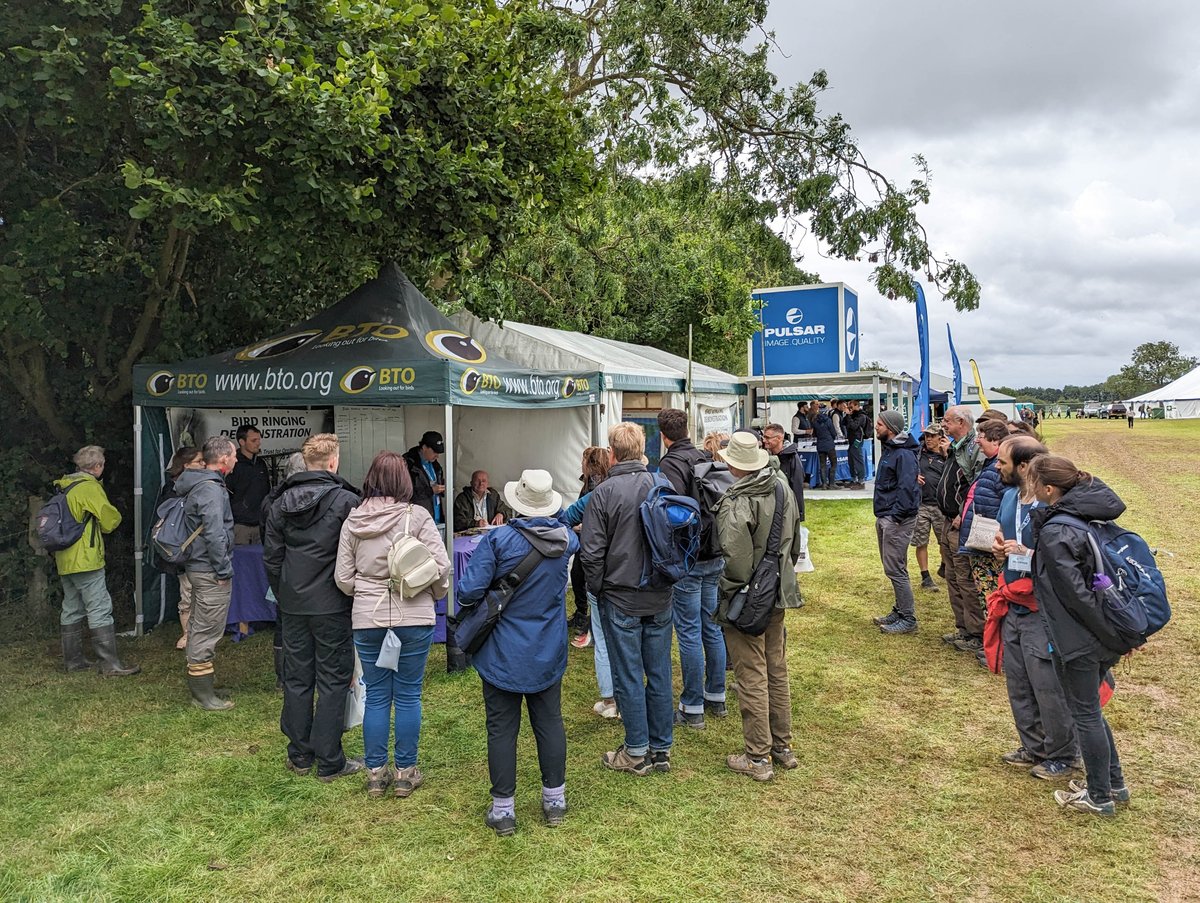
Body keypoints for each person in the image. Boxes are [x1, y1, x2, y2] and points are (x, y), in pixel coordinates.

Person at [458, 470, 579, 836]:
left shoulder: (499, 542)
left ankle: (503, 809)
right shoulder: (565, 542)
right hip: (547, 645)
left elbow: (466, 592)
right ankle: (554, 800)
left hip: (503, 650)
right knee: (549, 722)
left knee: (501, 727)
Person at [336, 451, 450, 799]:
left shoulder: (353, 521)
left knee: (376, 695)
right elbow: (441, 566)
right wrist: (430, 592)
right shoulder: (416, 517)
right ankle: (405, 771)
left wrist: (369, 591)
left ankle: (375, 773)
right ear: (404, 481)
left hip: (368, 619)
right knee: (409, 694)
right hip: (413, 615)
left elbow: (343, 577)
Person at [1028, 455, 1131, 817]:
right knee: (1092, 713)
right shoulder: (1084, 515)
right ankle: (1113, 783)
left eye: (1034, 483)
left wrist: (1104, 636)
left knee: (1084, 715)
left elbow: (1075, 596)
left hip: (1080, 638)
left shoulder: (1058, 530)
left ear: (1050, 489)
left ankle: (1099, 795)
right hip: (1100, 634)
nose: (1031, 488)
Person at [264, 434, 363, 782]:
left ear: (306, 463)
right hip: (332, 603)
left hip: (293, 602)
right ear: (333, 462)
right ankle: (330, 760)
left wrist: (285, 593)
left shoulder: (278, 503)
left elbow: (272, 559)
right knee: (334, 680)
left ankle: (300, 754)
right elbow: (356, 557)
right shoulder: (347, 501)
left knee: (297, 677)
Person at [581, 422, 674, 776]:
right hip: (659, 591)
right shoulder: (661, 484)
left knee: (629, 674)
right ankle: (660, 747)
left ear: (613, 453)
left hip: (621, 595)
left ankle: (637, 751)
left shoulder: (604, 493)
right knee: (659, 671)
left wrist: (598, 588)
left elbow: (591, 553)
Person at [714, 430, 803, 781]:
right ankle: (782, 746)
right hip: (778, 589)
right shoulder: (780, 484)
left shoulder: (739, 499)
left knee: (751, 674)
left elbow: (734, 561)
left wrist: (732, 595)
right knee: (775, 669)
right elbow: (794, 538)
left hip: (749, 596)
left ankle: (758, 756)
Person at [990, 436, 1080, 781]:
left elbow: (1065, 560)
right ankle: (1034, 746)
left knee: (1048, 685)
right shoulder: (1011, 496)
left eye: (1003, 462)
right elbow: (1003, 534)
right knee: (1019, 680)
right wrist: (1000, 549)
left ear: (1025, 467)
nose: (997, 467)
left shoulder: (1056, 506)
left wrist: (1025, 554)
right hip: (1012, 600)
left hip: (1043, 606)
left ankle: (1063, 754)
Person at [657, 408, 727, 729]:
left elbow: (672, 514)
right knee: (710, 626)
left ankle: (693, 707)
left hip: (690, 557)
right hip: (715, 552)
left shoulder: (671, 464)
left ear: (663, 435)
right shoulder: (704, 455)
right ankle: (717, 696)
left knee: (688, 631)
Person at [52, 445, 139, 677]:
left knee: (71, 608)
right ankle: (110, 664)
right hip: (86, 558)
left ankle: (74, 661)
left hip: (64, 557)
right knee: (99, 607)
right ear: (98, 466)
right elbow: (110, 520)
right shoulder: (89, 488)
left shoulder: (65, 486)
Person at [177, 436, 239, 710]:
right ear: (224, 458)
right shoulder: (211, 490)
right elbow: (214, 533)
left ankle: (205, 683)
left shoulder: (200, 485)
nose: (236, 459)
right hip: (209, 569)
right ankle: (203, 696)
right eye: (234, 455)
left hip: (199, 566)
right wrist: (223, 569)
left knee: (200, 624)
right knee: (206, 628)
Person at [560, 448, 617, 716]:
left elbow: (569, 516)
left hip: (601, 568)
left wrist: (583, 527)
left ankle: (610, 701)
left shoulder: (599, 488)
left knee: (606, 638)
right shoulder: (650, 484)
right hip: (626, 573)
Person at [936, 406, 986, 653]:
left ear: (961, 422)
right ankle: (963, 629)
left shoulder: (974, 448)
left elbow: (975, 486)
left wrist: (962, 514)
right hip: (948, 520)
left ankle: (976, 633)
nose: (943, 425)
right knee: (953, 577)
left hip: (961, 522)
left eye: (946, 421)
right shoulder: (956, 447)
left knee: (965, 579)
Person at [960, 418, 1009, 661]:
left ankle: (999, 650)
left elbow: (1002, 507)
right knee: (987, 597)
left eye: (982, 435)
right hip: (983, 543)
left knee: (993, 598)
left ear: (997, 441)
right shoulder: (990, 466)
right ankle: (994, 647)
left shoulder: (999, 471)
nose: (977, 439)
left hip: (991, 545)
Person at [870, 411, 921, 634]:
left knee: (896, 569)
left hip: (896, 519)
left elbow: (907, 488)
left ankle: (908, 618)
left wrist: (896, 517)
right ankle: (899, 610)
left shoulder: (903, 454)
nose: (876, 427)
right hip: (886, 516)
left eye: (880, 424)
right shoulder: (891, 450)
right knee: (893, 568)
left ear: (890, 427)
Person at [155, 446, 204, 651]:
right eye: (199, 461)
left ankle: (199, 634)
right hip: (184, 550)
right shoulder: (172, 490)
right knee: (187, 593)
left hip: (200, 550)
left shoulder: (203, 486)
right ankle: (187, 635)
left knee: (200, 593)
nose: (203, 464)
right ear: (186, 465)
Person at [568, 447, 610, 649]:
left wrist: (578, 524)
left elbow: (581, 513)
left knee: (591, 581)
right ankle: (582, 616)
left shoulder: (598, 484)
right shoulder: (589, 481)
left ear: (591, 462)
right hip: (585, 537)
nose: (581, 462)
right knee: (578, 575)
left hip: (591, 540)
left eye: (584, 459)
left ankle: (592, 628)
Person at [912, 424, 947, 591]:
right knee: (921, 541)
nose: (929, 439)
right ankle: (925, 576)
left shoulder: (948, 455)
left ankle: (944, 566)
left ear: (941, 437)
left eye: (932, 436)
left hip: (941, 506)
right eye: (927, 436)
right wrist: (913, 476)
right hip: (921, 505)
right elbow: (907, 470)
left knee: (944, 542)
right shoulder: (918, 453)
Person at [226, 425, 271, 545]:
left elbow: (267, 491)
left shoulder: (261, 463)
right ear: (242, 442)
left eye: (259, 439)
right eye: (253, 440)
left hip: (260, 523)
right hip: (240, 525)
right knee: (240, 560)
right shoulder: (234, 464)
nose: (258, 443)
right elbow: (227, 494)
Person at [762, 423, 806, 522]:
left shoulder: (792, 458)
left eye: (767, 437)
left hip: (785, 508)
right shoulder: (764, 455)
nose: (764, 440)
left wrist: (798, 514)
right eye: (763, 437)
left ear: (778, 438)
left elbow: (797, 487)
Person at [403, 431, 447, 526]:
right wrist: (431, 490)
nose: (437, 456)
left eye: (438, 453)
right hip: (418, 520)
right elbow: (406, 493)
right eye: (434, 452)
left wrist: (442, 488)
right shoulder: (409, 464)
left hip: (436, 516)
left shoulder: (435, 465)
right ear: (424, 447)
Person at [843, 399, 871, 489]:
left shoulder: (861, 416)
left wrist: (849, 416)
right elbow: (843, 423)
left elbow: (854, 426)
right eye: (849, 407)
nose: (850, 409)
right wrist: (847, 415)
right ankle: (853, 479)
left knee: (858, 459)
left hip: (857, 440)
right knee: (851, 460)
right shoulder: (852, 415)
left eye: (851, 407)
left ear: (856, 406)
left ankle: (861, 481)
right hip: (851, 440)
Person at [811, 402, 838, 489]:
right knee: (833, 463)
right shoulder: (828, 421)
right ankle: (832, 483)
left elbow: (814, 434)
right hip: (829, 445)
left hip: (820, 445)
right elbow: (833, 433)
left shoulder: (815, 421)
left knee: (822, 465)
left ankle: (824, 484)